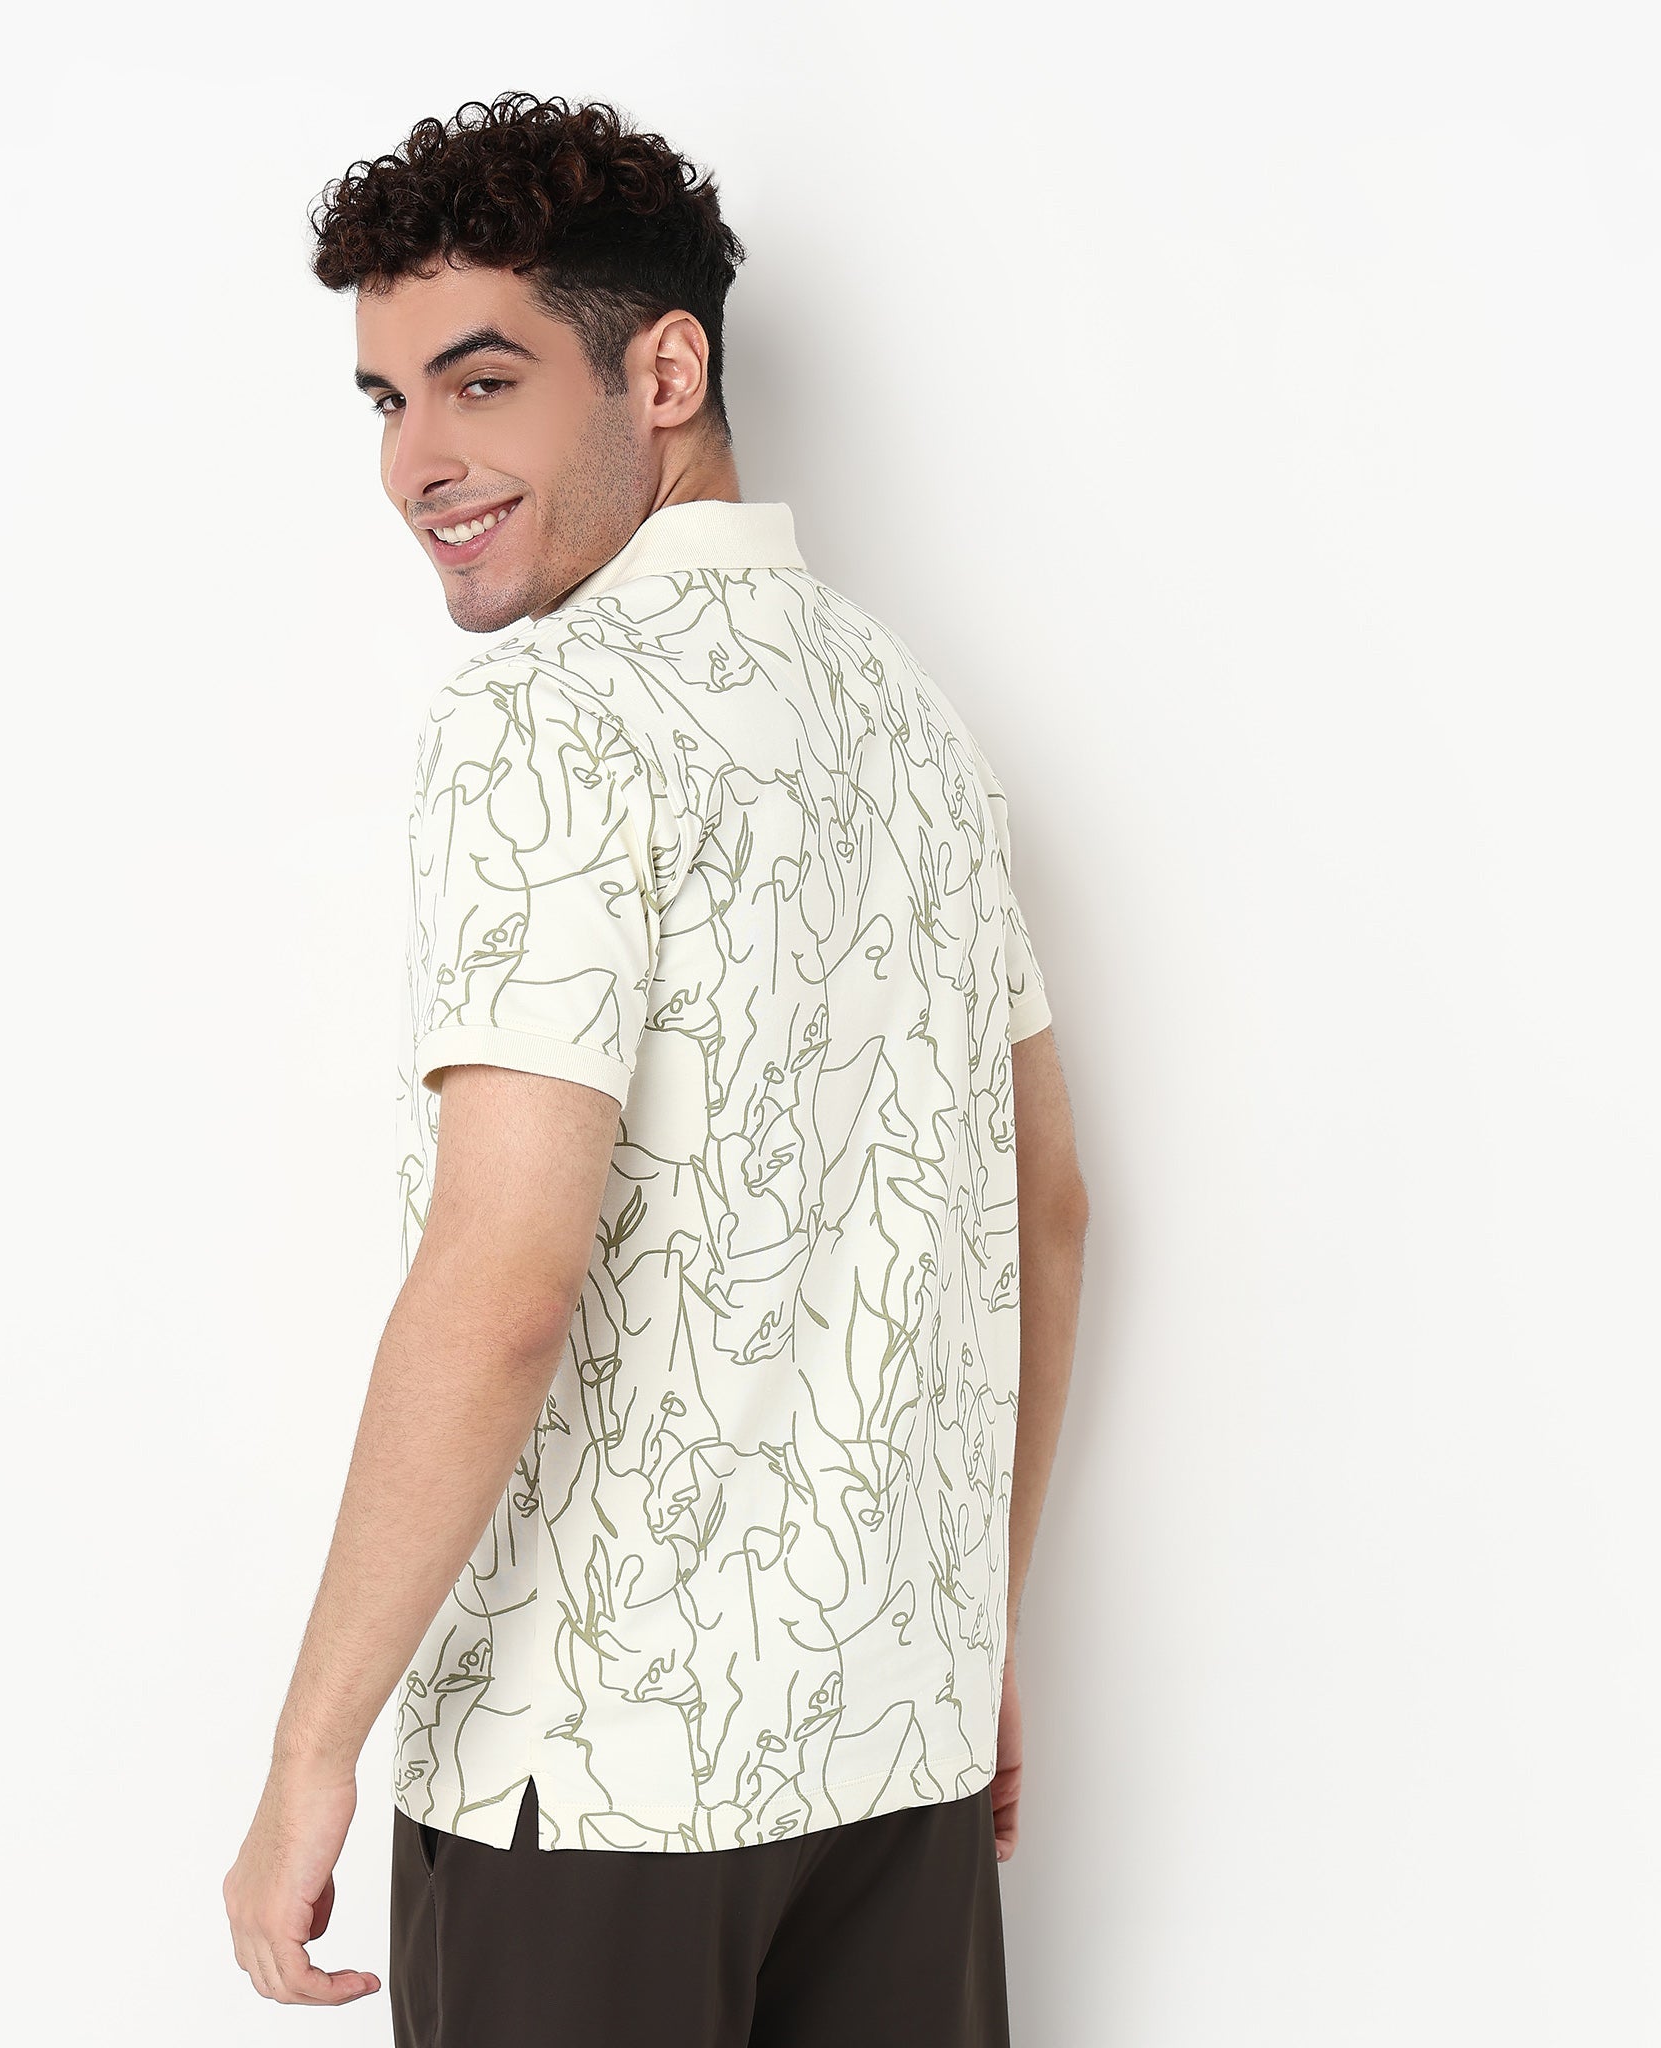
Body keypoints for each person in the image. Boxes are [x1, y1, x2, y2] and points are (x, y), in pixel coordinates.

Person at [223, 91, 1089, 2045]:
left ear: (666, 372)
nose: (418, 462)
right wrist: (966, 1627)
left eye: (482, 382)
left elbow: (505, 1280)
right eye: (387, 401)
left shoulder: (545, 717)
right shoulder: (914, 724)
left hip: (591, 1776)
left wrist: (310, 1752)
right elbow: (1047, 1207)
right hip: (893, 1748)